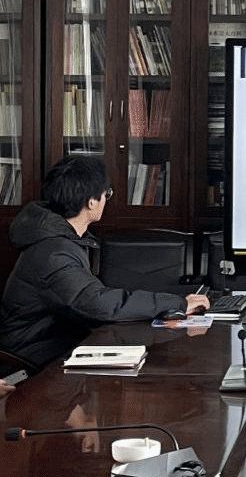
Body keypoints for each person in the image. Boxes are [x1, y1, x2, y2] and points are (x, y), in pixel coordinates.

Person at [0, 155, 210, 370]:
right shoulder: (54, 252)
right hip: (29, 359)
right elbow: (97, 303)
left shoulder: (62, 240)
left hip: (53, 346)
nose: (105, 200)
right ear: (91, 202)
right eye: (106, 194)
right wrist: (177, 304)